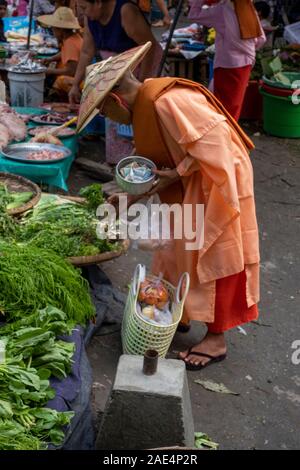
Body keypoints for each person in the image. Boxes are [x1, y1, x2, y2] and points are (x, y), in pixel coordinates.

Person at [79, 44, 260, 371]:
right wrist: (128, 196)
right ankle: (182, 311)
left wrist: (175, 174)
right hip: (189, 179)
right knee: (177, 250)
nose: (108, 118)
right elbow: (151, 164)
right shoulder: (145, 108)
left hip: (218, 177)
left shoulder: (168, 101)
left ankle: (217, 338)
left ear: (116, 99)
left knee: (215, 253)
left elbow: (216, 143)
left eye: (104, 111)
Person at [69, 0, 162, 164]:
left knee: (141, 117)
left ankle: (141, 166)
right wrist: (75, 84)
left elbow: (149, 46)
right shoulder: (91, 18)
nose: (82, 13)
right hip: (113, 70)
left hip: (141, 65)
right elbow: (86, 51)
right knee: (112, 114)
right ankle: (118, 164)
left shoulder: (125, 11)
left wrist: (143, 83)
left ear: (98, 3)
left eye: (84, 8)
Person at [189, 0, 266, 121]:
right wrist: (244, 47)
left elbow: (193, 14)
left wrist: (199, 1)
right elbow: (261, 39)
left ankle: (225, 136)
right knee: (233, 107)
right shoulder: (249, 8)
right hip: (245, 64)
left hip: (227, 65)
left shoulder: (222, 10)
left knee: (223, 109)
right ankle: (229, 135)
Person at [37, 7, 83, 97]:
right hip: (82, 77)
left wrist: (49, 71)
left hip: (80, 81)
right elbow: (65, 53)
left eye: (53, 29)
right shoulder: (73, 37)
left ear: (60, 29)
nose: (53, 32)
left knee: (60, 80)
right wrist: (51, 58)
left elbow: (71, 71)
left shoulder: (70, 43)